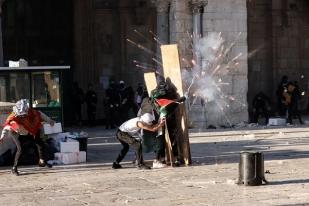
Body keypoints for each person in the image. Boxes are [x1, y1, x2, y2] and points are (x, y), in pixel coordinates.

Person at [0, 99, 55, 175]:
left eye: (24, 115)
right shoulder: (12, 118)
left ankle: (41, 161)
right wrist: (2, 137)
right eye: (21, 116)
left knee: (40, 143)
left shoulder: (32, 113)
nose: (23, 117)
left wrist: (50, 121)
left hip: (30, 131)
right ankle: (14, 168)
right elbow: (6, 127)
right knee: (20, 149)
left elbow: (40, 115)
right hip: (16, 133)